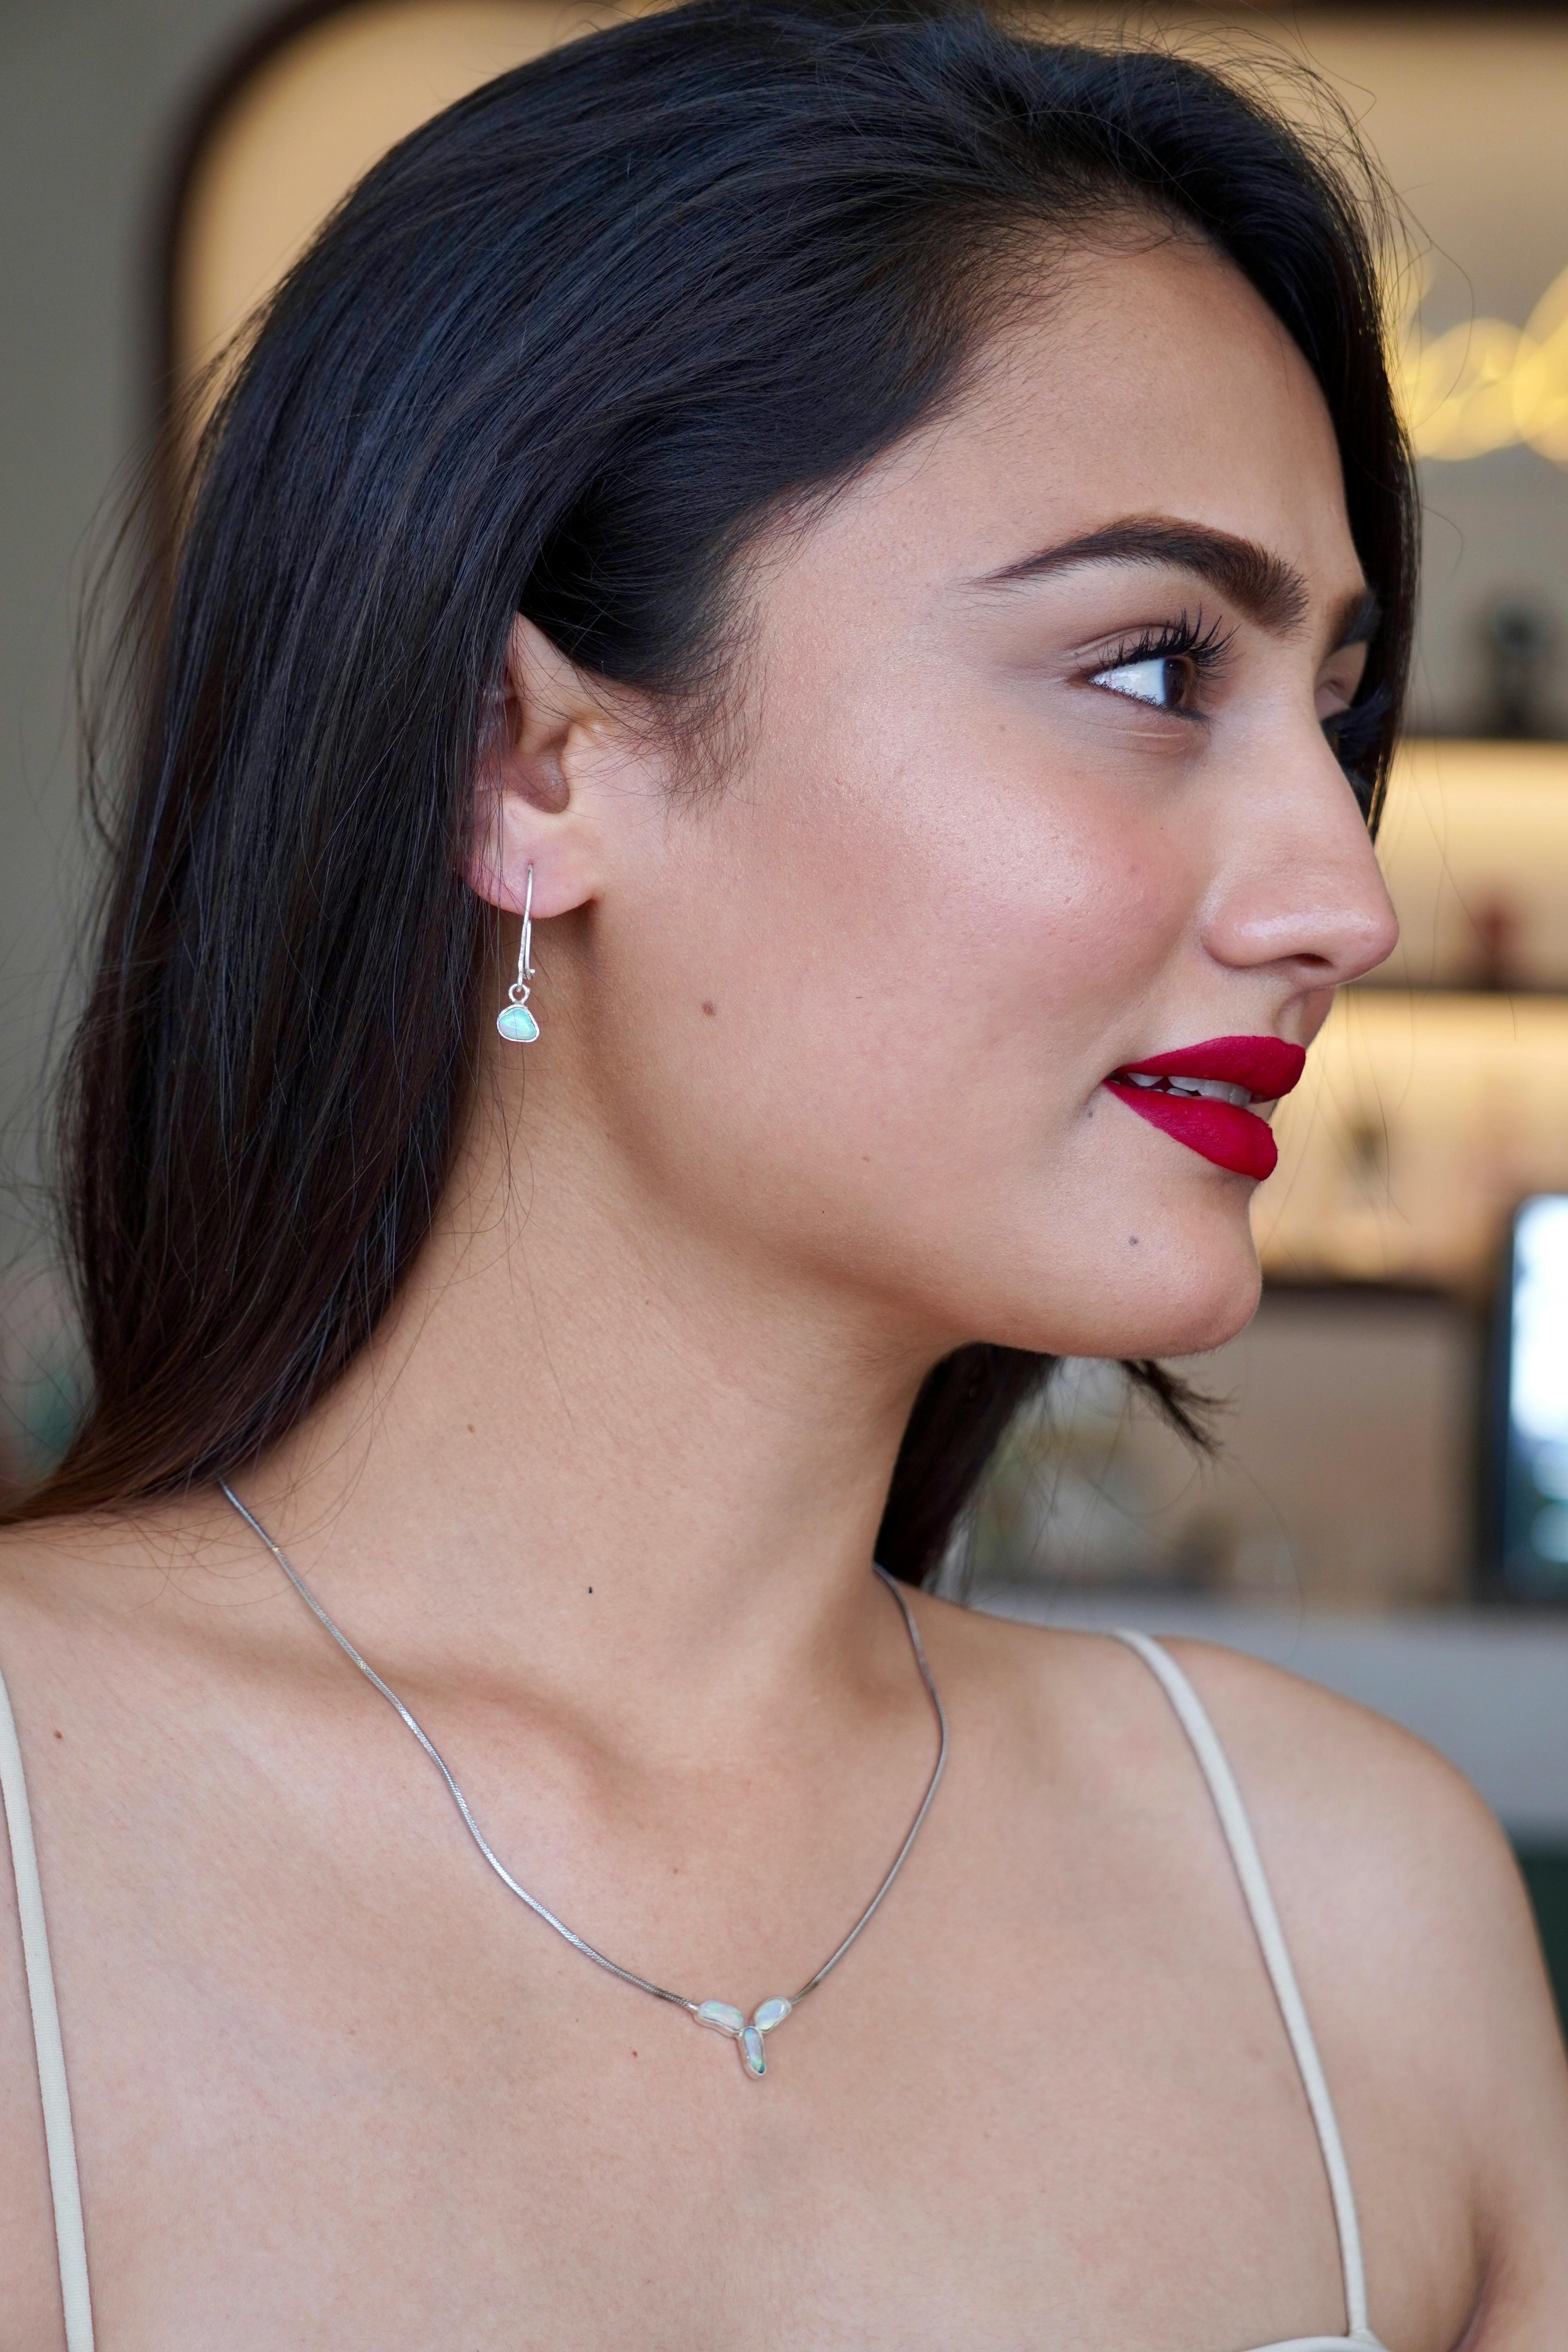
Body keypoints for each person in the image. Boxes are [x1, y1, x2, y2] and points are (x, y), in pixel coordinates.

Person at [2, 4, 1564, 2343]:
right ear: (529, 762)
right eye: (1153, 669)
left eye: (1335, 705)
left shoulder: (1356, 1929)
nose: (1342, 893)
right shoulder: (38, 1836)